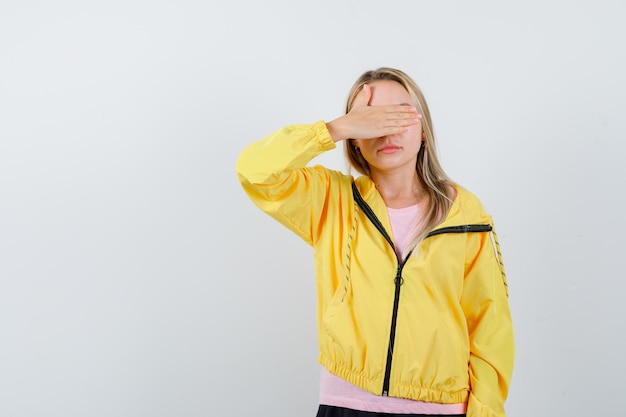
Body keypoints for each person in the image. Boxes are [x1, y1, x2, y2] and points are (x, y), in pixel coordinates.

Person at [236, 67, 514, 417]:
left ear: (424, 130)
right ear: (355, 136)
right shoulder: (331, 200)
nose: (386, 128)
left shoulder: (465, 212)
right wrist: (335, 129)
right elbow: (255, 170)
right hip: (348, 403)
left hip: (442, 408)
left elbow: (490, 322)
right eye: (371, 117)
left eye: (400, 113)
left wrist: (486, 411)